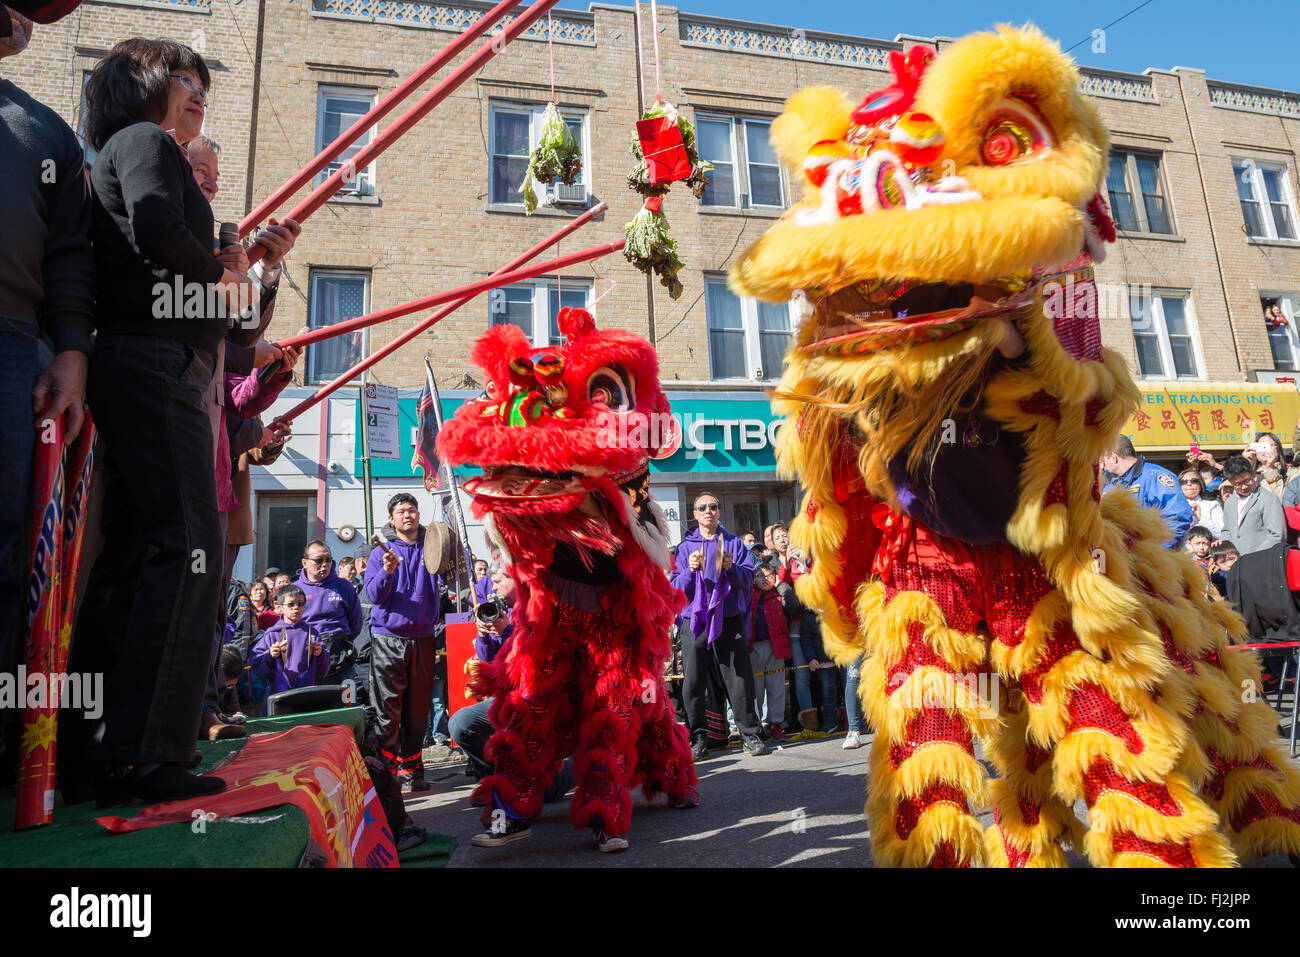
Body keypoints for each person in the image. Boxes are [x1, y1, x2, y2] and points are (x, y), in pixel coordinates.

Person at [66, 37, 260, 804]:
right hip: (153, 364)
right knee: (188, 546)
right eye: (186, 79)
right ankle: (149, 750)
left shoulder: (132, 150)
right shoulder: (146, 142)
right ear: (143, 82)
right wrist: (223, 269)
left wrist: (238, 273)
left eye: (204, 83)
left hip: (151, 361)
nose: (198, 93)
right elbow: (154, 228)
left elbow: (230, 321)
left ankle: (92, 745)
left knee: (140, 551)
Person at [0, 1, 95, 766]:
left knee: (10, 538)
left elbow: (70, 257)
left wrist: (70, 352)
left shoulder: (45, 133)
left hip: (13, 342)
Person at [450, 560, 575, 800]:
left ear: (516, 580)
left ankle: (576, 770)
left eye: (497, 582)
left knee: (546, 792)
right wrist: (483, 633)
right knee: (460, 723)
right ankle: (494, 780)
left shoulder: (540, 608)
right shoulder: (504, 610)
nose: (493, 588)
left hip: (541, 703)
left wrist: (508, 631)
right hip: (509, 699)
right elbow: (490, 663)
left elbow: (536, 660)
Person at [671, 491, 768, 759]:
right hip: (696, 620)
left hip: (727, 618)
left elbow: (748, 581)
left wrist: (731, 569)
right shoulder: (684, 548)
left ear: (719, 512)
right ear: (695, 514)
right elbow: (676, 589)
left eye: (713, 506)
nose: (708, 511)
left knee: (738, 678)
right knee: (693, 681)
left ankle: (749, 733)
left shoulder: (735, 544)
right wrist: (690, 572)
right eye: (702, 507)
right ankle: (698, 737)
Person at [365, 493, 443, 793]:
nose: (407, 515)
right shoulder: (379, 553)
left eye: (412, 510)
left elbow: (452, 575)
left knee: (418, 710)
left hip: (424, 637)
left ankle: (413, 772)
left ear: (419, 514)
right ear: (391, 518)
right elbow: (374, 595)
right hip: (389, 638)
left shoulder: (432, 546)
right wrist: (387, 570)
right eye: (401, 511)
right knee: (387, 710)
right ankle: (386, 776)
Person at [1100, 435, 1192, 547]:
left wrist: (1156, 552)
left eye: (1104, 461)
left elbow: (1178, 517)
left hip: (1151, 558)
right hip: (1119, 557)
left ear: (1114, 458)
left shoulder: (1155, 476)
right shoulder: (1109, 482)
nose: (1103, 467)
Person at [295, 540, 362, 683]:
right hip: (306, 663)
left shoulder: (344, 587)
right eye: (318, 560)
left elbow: (356, 623)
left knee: (346, 705)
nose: (324, 564)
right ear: (305, 563)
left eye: (328, 560)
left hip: (341, 661)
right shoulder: (295, 590)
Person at [250, 585, 331, 697]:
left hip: (307, 692)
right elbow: (256, 664)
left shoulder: (311, 633)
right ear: (279, 608)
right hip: (279, 693)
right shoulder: (273, 633)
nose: (296, 608)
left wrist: (320, 654)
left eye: (300, 604)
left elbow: (323, 670)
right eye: (290, 604)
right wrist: (269, 655)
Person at [750, 564, 792, 740]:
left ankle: (776, 725)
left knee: (776, 689)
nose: (764, 579)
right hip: (754, 647)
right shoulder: (749, 595)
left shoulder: (780, 594)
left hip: (776, 646)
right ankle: (757, 726)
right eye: (759, 575)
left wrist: (781, 583)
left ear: (775, 576)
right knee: (756, 690)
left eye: (768, 575)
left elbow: (794, 606)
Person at [1219, 455, 1285, 556]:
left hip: (1262, 560)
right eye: (1237, 484)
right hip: (1237, 563)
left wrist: (1255, 557)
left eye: (1247, 480)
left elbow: (1277, 535)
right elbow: (1227, 530)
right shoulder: (1230, 502)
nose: (1244, 487)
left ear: (1253, 474)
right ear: (1230, 482)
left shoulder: (1268, 499)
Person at [1178, 469, 1224, 539]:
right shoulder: (1173, 506)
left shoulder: (1213, 505)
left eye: (1194, 481)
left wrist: (1201, 518)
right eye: (1184, 482)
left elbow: (1221, 534)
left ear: (1201, 484)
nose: (1189, 484)